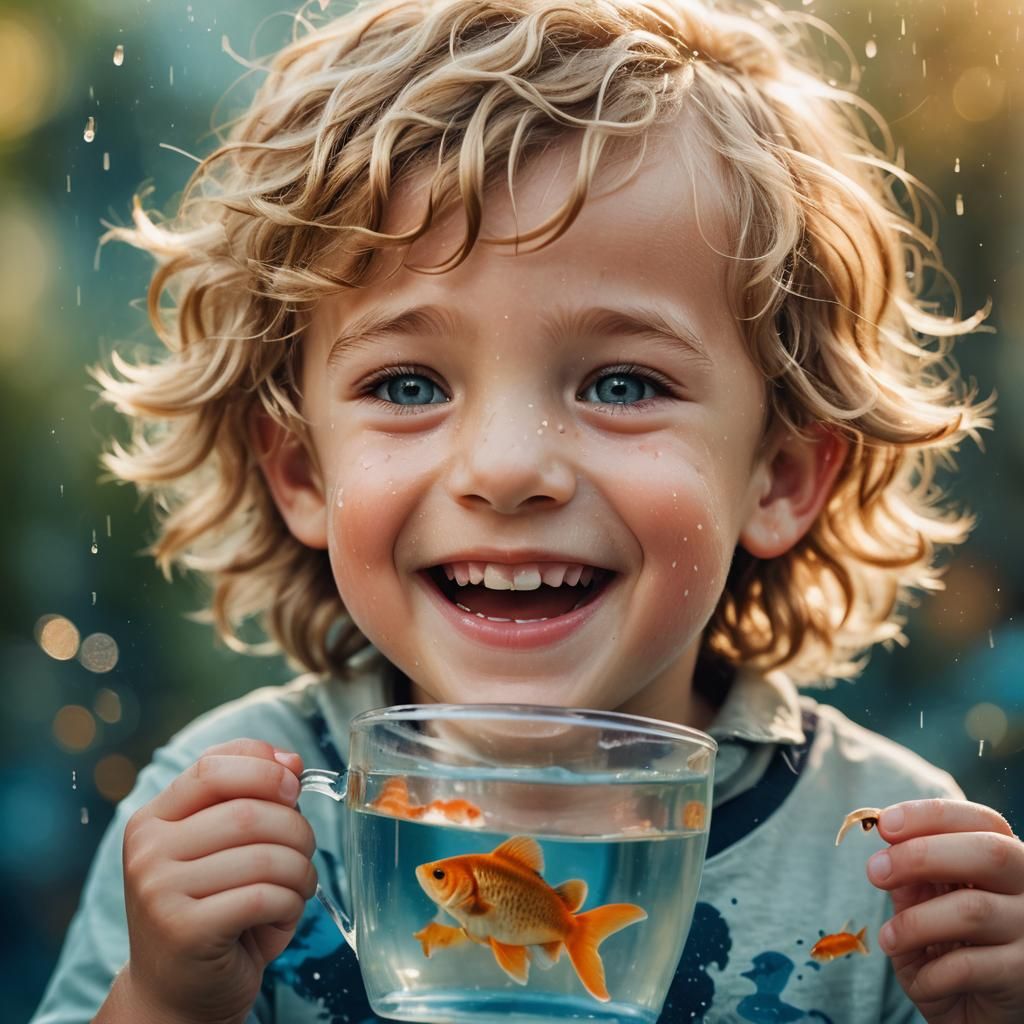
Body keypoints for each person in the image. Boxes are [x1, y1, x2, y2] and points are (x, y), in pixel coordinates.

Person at [31, 0, 1024, 1022]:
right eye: (410, 385)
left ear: (777, 477)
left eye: (625, 384)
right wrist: (163, 997)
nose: (506, 470)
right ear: (297, 470)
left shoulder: (885, 864)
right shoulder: (221, 816)